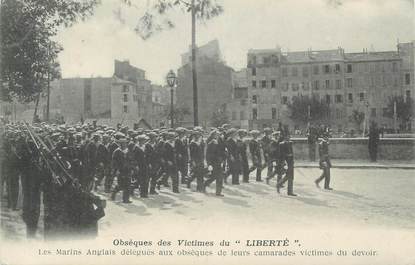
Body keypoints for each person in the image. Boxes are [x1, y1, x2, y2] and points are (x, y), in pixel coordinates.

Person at [111, 136, 131, 203]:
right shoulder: (116, 151)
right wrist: (116, 170)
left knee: (128, 184)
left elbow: (131, 160)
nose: (124, 144)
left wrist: (132, 167)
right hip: (120, 170)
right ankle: (113, 193)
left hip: (128, 170)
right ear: (120, 144)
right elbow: (114, 162)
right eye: (122, 143)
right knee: (120, 184)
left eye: (125, 143)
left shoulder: (128, 151)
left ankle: (126, 199)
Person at [204, 130, 224, 196]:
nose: (218, 136)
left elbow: (220, 151)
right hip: (214, 162)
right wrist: (209, 163)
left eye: (218, 135)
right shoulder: (212, 143)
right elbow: (209, 154)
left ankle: (218, 192)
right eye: (216, 135)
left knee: (217, 177)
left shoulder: (218, 142)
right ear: (213, 135)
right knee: (216, 177)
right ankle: (205, 184)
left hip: (218, 162)